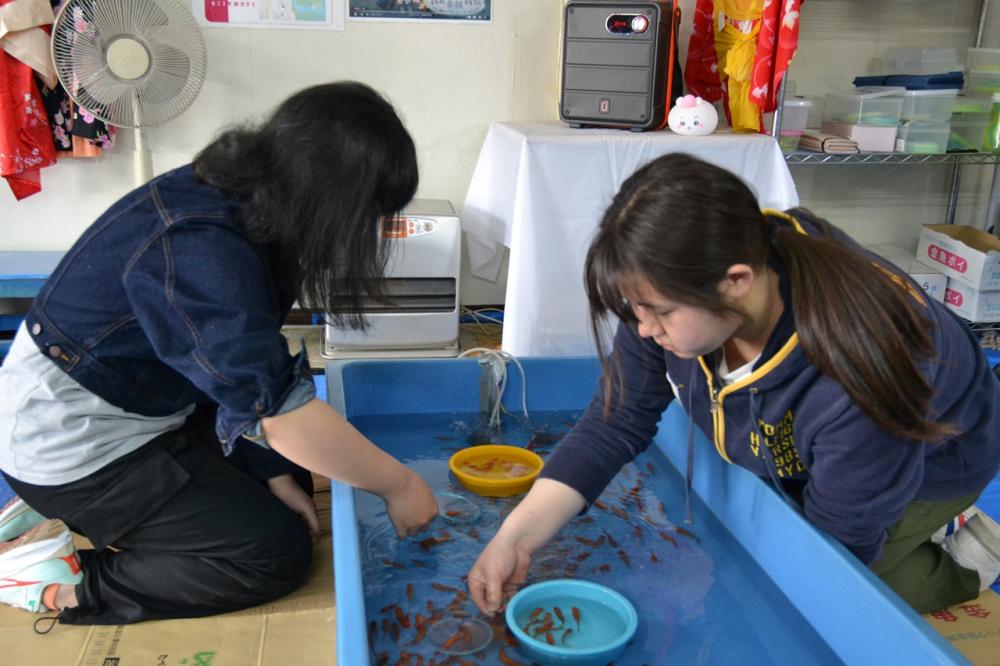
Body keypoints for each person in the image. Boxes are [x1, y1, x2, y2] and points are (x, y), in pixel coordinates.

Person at [467, 153, 1000, 616]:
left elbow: (836, 549)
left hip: (937, 457)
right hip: (828, 447)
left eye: (658, 313)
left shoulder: (863, 374)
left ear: (736, 281)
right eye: (634, 311)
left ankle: (966, 557)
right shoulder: (678, 282)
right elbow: (615, 422)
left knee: (839, 595)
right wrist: (514, 537)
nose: (644, 329)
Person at [0, 81, 439, 625]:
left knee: (292, 480)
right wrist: (402, 483)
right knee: (271, 554)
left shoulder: (249, 198)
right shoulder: (199, 243)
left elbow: (246, 369)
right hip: (73, 445)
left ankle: (81, 519)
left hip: (149, 401)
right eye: (369, 215)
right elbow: (274, 412)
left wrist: (273, 472)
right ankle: (58, 582)